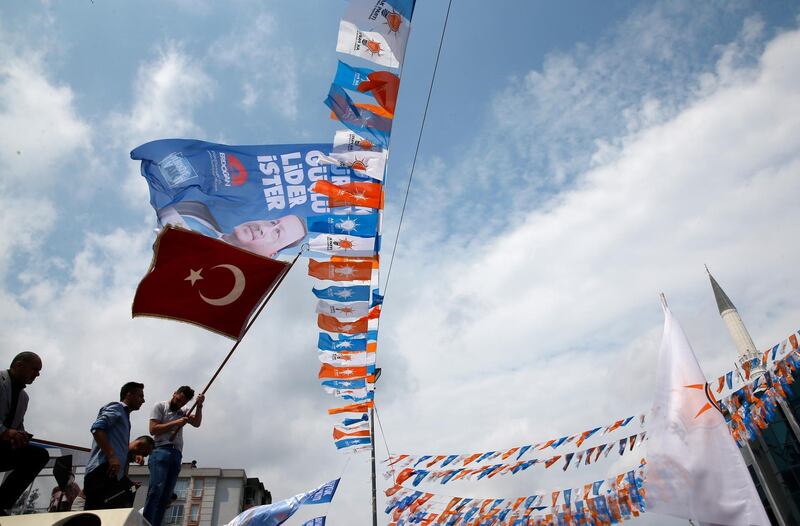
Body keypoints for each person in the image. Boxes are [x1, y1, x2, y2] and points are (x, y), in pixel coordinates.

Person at [143, 386, 205, 526]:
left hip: (176, 454)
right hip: (160, 450)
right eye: (178, 400)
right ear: (174, 394)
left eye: (183, 402)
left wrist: (199, 406)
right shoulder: (160, 406)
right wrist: (176, 422)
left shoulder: (183, 411)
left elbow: (196, 423)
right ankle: (145, 523)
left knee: (166, 496)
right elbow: (153, 429)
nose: (179, 404)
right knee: (155, 490)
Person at [157, 201, 307, 257]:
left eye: (277, 233)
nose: (264, 228)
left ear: (271, 254)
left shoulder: (227, 288)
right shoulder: (193, 213)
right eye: (273, 222)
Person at [83, 382, 145, 510]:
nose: (143, 400)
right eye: (140, 396)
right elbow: (97, 428)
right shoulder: (117, 407)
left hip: (113, 475)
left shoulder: (126, 417)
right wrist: (111, 456)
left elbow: (117, 444)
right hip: (102, 471)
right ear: (129, 394)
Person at [0, 351, 48, 516]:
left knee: (38, 455)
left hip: (3, 447)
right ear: (19, 365)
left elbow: (17, 425)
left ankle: (1, 503)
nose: (38, 374)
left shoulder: (24, 397)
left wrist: (21, 435)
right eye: (35, 369)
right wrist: (6, 432)